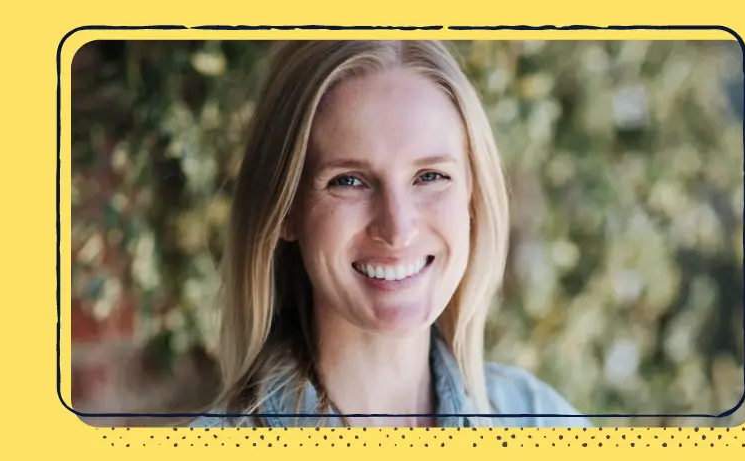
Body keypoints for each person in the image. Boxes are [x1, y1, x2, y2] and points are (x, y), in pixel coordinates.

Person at [191, 40, 591, 428]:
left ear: (473, 195)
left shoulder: (538, 418)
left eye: (430, 176)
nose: (397, 230)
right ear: (286, 211)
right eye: (348, 181)